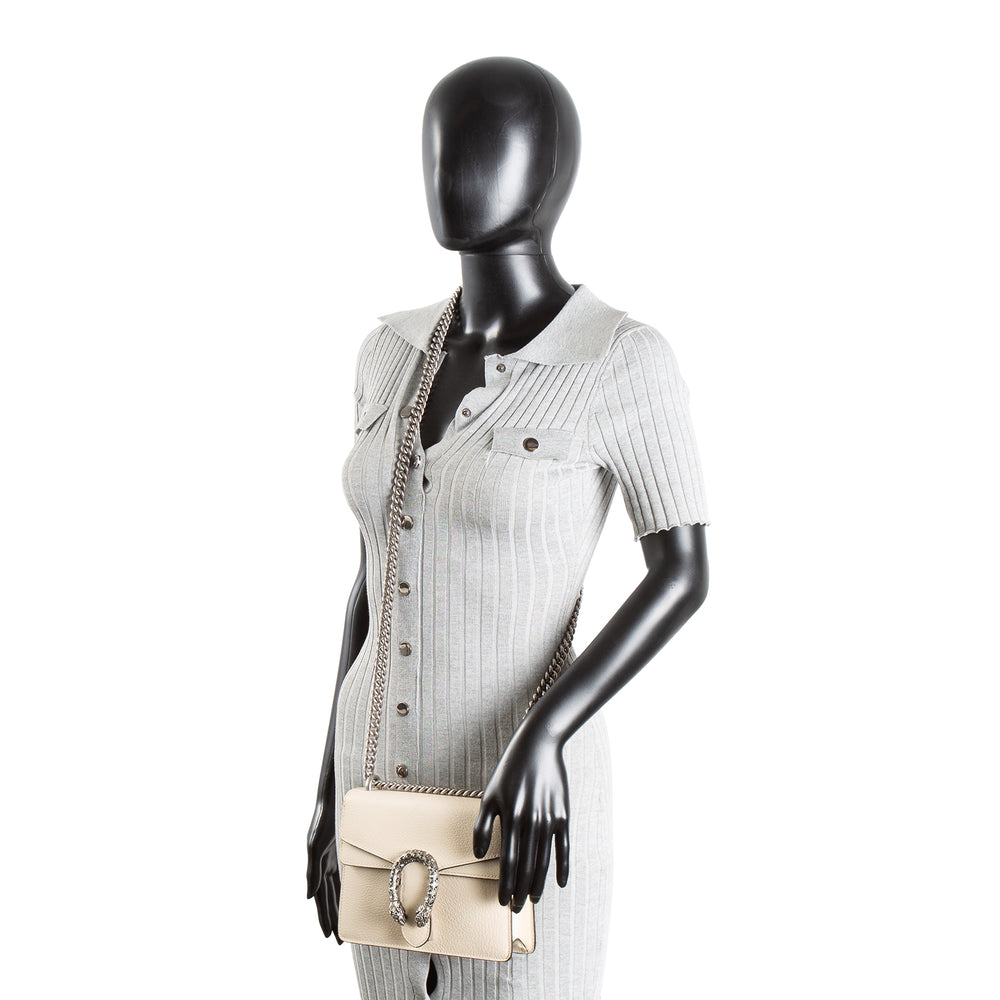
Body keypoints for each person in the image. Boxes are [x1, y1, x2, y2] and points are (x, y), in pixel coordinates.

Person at [307, 56, 711, 1000]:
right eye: (438, 149)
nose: (451, 172)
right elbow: (373, 574)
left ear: (549, 172)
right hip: (376, 791)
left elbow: (682, 569)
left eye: (481, 150)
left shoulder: (619, 362)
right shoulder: (388, 354)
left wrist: (549, 732)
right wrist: (326, 783)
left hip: (520, 800)